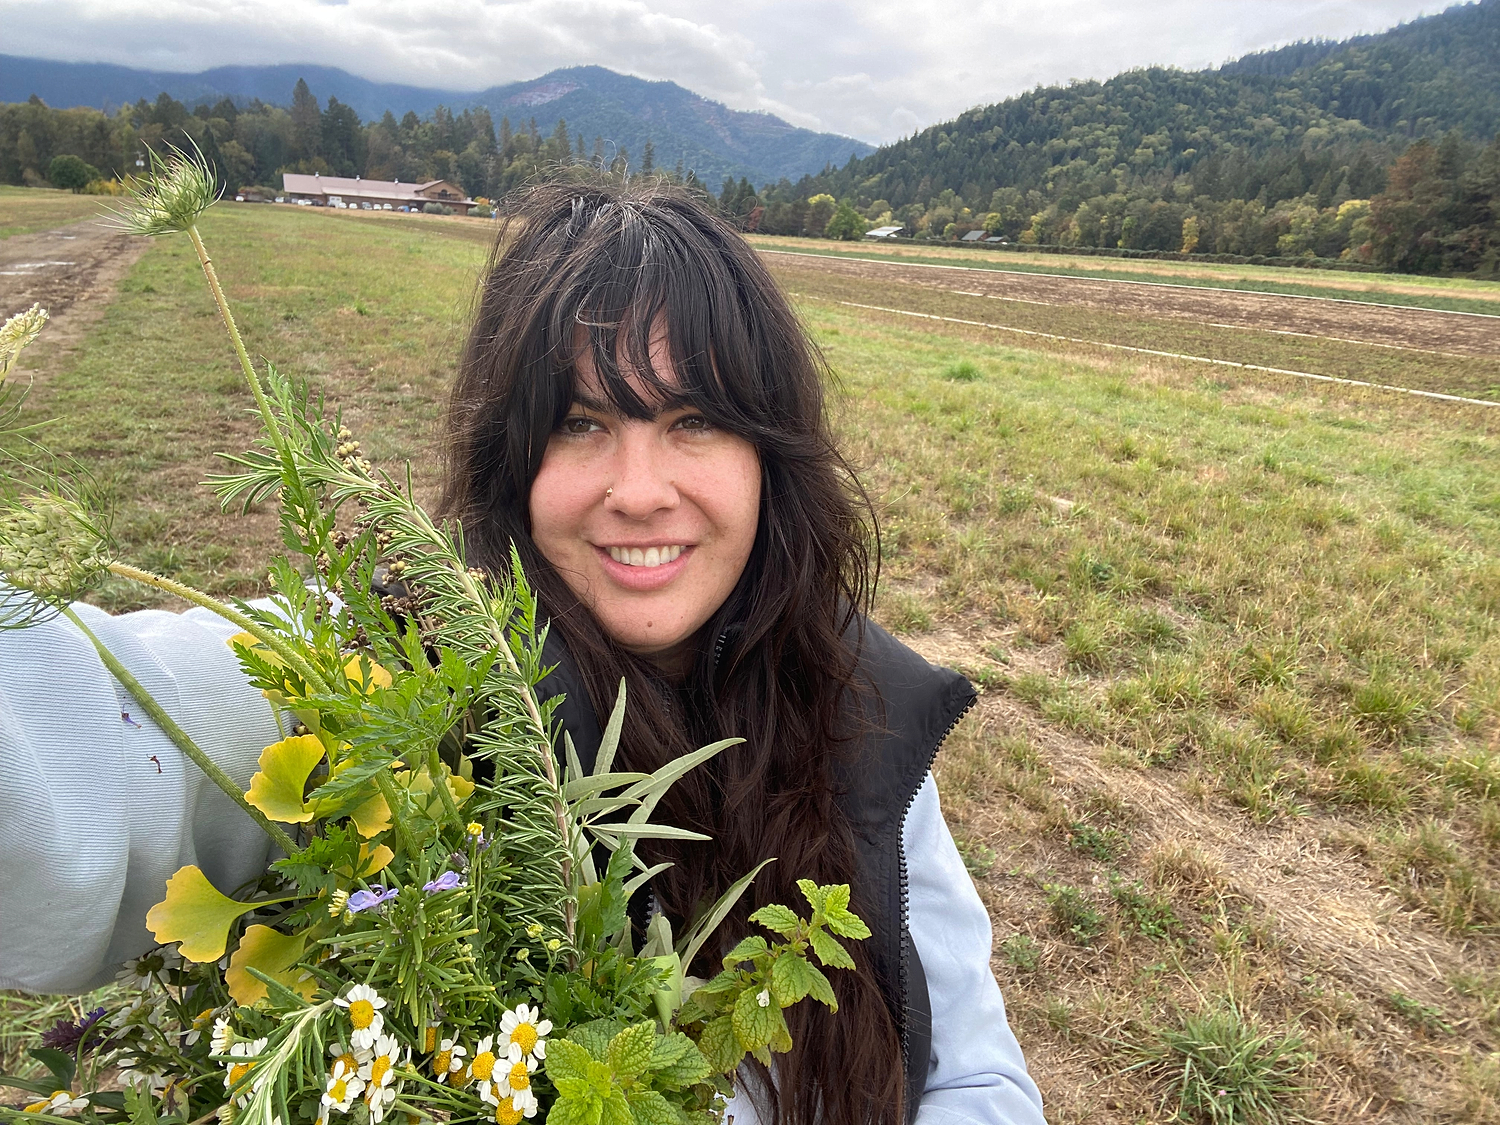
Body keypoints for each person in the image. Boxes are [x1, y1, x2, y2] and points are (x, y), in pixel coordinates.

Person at [0, 181, 1045, 1125]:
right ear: (512, 458)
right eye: (582, 424)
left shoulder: (862, 708)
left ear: (769, 454)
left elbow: (974, 1069)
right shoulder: (389, 682)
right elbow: (95, 739)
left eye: (692, 420)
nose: (638, 490)